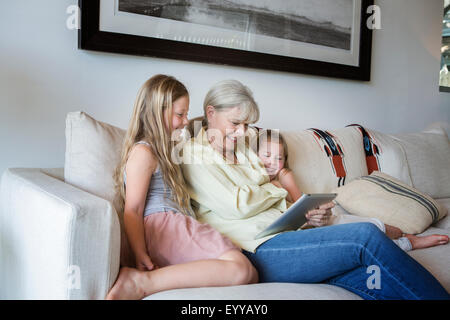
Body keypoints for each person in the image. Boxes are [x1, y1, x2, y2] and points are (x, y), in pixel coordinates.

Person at [181, 79, 450, 300]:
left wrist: (307, 216)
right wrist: (276, 187)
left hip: (289, 235)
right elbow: (238, 205)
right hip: (257, 248)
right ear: (211, 113)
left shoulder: (243, 147)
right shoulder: (194, 154)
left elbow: (264, 195)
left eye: (246, 125)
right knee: (364, 236)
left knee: (369, 276)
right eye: (234, 123)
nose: (242, 132)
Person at [106, 75, 258, 300]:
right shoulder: (143, 152)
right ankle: (141, 282)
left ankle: (154, 282)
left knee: (251, 275)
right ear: (156, 112)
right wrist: (139, 253)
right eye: (180, 114)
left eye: (186, 114)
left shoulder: (169, 148)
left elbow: (200, 135)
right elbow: (133, 210)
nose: (186, 120)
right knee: (241, 269)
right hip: (162, 225)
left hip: (173, 222)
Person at [253, 128, 449, 251]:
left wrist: (287, 182)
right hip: (302, 231)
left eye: (279, 158)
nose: (273, 163)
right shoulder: (250, 181)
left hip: (317, 220)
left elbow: (301, 206)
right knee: (363, 234)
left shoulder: (284, 176)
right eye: (267, 156)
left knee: (371, 225)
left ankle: (404, 236)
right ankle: (408, 242)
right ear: (253, 156)